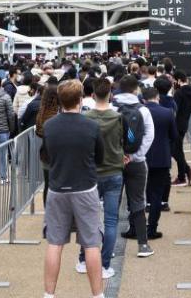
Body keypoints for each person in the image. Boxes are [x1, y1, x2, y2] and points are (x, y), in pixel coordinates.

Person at [41, 79, 106, 298]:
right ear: (80, 100)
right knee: (91, 244)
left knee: (55, 242)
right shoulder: (91, 126)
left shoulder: (49, 126)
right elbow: (100, 157)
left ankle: (49, 294)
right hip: (85, 187)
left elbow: (47, 155)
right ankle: (98, 294)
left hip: (57, 187)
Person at [77, 77, 123, 278]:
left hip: (91, 174)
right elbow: (129, 140)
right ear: (110, 94)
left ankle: (83, 259)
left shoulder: (85, 119)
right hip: (114, 171)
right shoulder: (119, 117)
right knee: (111, 220)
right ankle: (104, 265)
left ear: (93, 94)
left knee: (88, 219)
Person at [114, 76, 155, 258]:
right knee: (138, 201)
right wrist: (135, 155)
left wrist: (118, 156)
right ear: (135, 89)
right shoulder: (143, 110)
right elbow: (149, 136)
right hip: (137, 163)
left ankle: (108, 248)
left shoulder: (112, 108)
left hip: (114, 163)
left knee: (111, 204)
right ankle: (143, 245)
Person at [142, 86, 178, 240]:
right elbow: (174, 135)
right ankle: (152, 228)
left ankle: (136, 226)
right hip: (161, 157)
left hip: (141, 156)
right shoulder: (167, 113)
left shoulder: (139, 112)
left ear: (143, 99)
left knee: (138, 194)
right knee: (156, 195)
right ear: (157, 97)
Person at [171, 71, 191, 186]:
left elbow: (174, 110)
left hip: (176, 123)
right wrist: (186, 112)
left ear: (178, 80)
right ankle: (182, 175)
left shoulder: (179, 93)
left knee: (175, 150)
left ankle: (186, 171)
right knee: (178, 150)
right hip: (185, 123)